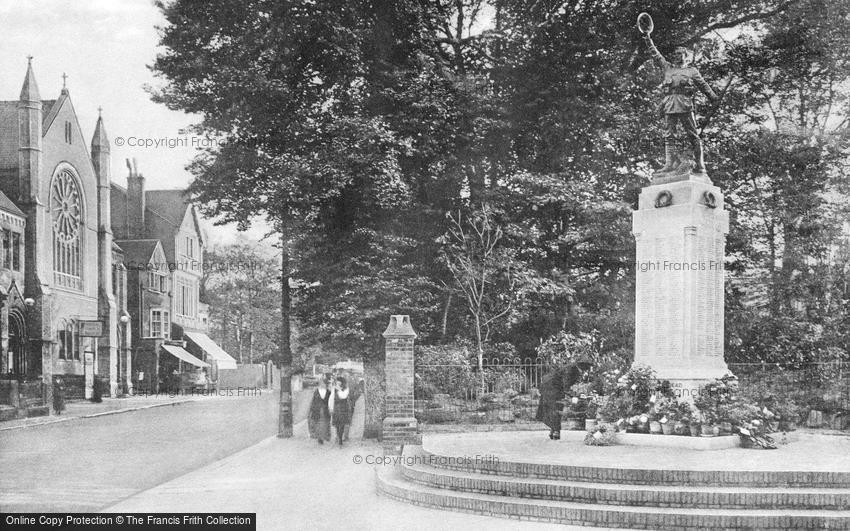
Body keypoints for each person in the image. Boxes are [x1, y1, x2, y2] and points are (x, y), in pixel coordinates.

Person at [640, 17, 718, 174]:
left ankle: (700, 164)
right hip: (669, 103)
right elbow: (655, 54)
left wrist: (713, 98)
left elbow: (703, 85)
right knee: (669, 135)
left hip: (684, 103)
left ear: (685, 56)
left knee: (693, 135)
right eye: (674, 54)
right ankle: (669, 164)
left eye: (679, 54)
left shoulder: (691, 71)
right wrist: (647, 38)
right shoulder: (668, 68)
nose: (676, 56)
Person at [535, 361, 590, 440]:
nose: (586, 371)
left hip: (551, 386)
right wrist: (575, 395)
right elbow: (566, 385)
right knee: (556, 408)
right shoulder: (571, 369)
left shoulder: (572, 367)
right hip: (552, 387)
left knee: (553, 408)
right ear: (583, 367)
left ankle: (553, 430)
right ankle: (556, 431)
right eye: (587, 368)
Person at [308, 377, 332, 445]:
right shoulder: (316, 391)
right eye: (321, 383)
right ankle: (319, 438)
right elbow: (313, 401)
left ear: (325, 384)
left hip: (325, 411)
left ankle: (324, 437)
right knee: (318, 424)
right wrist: (311, 410)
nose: (322, 384)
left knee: (325, 425)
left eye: (323, 383)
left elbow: (330, 402)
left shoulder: (328, 392)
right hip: (317, 410)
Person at [330, 376, 351, 446]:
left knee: (342, 424)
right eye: (337, 381)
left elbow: (344, 396)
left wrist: (339, 390)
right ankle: (338, 436)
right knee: (336, 424)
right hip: (336, 407)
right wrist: (331, 407)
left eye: (339, 381)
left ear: (342, 382)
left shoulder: (346, 389)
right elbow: (332, 398)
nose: (338, 383)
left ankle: (340, 438)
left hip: (343, 408)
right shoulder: (334, 389)